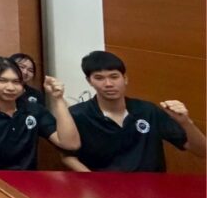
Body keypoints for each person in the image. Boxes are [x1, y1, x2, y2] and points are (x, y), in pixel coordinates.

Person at [61, 51, 206, 172]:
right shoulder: (77, 114)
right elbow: (68, 156)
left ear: (125, 79)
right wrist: (94, 181)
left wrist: (186, 123)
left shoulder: (148, 111)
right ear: (89, 81)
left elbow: (202, 151)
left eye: (114, 77)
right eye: (99, 78)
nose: (108, 84)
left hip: (151, 189)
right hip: (102, 189)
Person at [0, 57, 79, 170]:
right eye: (2, 81)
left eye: (16, 82)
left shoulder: (34, 110)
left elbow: (70, 144)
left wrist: (58, 98)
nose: (10, 87)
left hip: (28, 180)